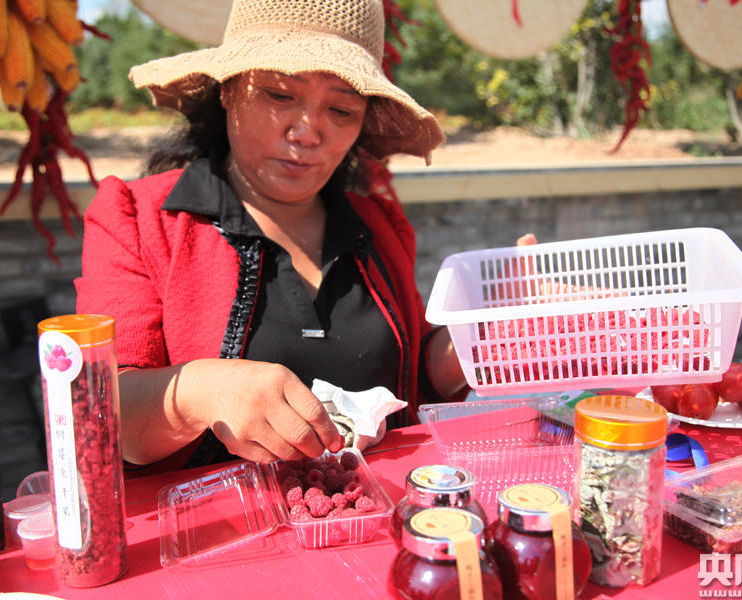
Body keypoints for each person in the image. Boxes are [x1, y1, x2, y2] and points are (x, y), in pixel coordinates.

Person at [75, 0, 529, 472]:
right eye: (279, 95)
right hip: (211, 517)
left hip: (374, 509)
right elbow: (105, 412)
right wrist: (201, 392)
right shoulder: (138, 218)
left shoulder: (378, 226)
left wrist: (479, 334)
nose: (309, 132)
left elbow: (410, 377)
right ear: (228, 90)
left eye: (340, 109)